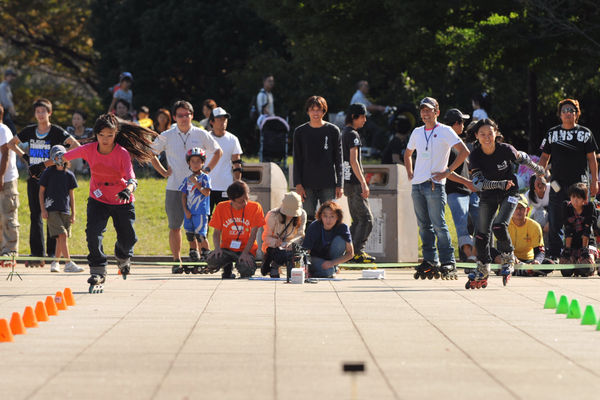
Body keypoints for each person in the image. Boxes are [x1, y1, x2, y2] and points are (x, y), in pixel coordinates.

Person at [55, 113, 157, 288]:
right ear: (96, 134)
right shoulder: (89, 149)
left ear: (115, 134)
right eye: (101, 135)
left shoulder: (122, 153)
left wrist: (128, 190)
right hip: (98, 199)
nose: (105, 139)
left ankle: (122, 256)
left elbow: (132, 178)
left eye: (110, 135)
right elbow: (64, 157)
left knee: (129, 238)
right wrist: (48, 161)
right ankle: (98, 271)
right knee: (93, 235)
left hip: (122, 199)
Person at [467, 118, 546, 287]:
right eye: (482, 134)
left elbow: (523, 158)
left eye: (490, 133)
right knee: (481, 233)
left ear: (496, 133)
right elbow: (479, 183)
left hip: (510, 192)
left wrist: (539, 170)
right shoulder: (474, 156)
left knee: (499, 225)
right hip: (488, 193)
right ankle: (483, 266)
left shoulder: (506, 149)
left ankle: (508, 257)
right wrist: (499, 184)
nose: (487, 138)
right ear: (477, 136)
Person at [8, 98, 80, 265]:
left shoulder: (56, 131)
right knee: (35, 215)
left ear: (50, 113)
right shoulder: (30, 130)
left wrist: (58, 159)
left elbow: (76, 145)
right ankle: (37, 254)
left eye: (43, 111)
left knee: (52, 215)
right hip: (34, 178)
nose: (40, 114)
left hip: (52, 179)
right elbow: (11, 144)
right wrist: (25, 157)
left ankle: (52, 254)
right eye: (38, 111)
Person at [404, 97, 469, 280]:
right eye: (423, 110)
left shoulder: (445, 130)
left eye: (429, 110)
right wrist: (410, 172)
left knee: (439, 224)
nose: (425, 113)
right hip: (417, 185)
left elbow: (464, 152)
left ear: (437, 112)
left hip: (435, 185)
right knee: (424, 226)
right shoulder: (417, 131)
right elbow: (408, 153)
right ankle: (430, 260)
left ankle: (448, 261)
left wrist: (447, 171)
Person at [151, 100, 222, 266]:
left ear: (192, 115)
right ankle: (177, 261)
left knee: (198, 226)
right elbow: (151, 153)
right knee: (175, 226)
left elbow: (218, 151)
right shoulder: (167, 135)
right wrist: (163, 171)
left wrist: (207, 170)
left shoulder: (200, 133)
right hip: (175, 186)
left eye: (186, 115)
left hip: (197, 189)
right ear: (174, 117)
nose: (183, 118)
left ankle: (201, 256)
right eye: (180, 115)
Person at [537, 98, 598, 261]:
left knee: (585, 218)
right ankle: (555, 254)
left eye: (571, 110)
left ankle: (586, 252)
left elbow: (592, 159)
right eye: (564, 110)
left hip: (580, 184)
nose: (567, 113)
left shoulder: (585, 133)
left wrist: (595, 181)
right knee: (555, 217)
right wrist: (539, 176)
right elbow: (544, 157)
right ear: (560, 114)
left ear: (577, 114)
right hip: (557, 183)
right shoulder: (552, 133)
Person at [293, 96, 343, 222]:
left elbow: (339, 160)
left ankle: (327, 237)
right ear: (307, 111)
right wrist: (298, 184)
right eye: (312, 109)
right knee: (307, 218)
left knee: (329, 217)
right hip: (306, 184)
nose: (315, 113)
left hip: (328, 183)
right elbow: (297, 160)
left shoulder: (333, 130)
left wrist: (340, 184)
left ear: (324, 111)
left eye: (318, 110)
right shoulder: (300, 132)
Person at [207, 181, 265, 279]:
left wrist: (245, 253)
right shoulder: (221, 207)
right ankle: (227, 268)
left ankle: (241, 265)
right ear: (231, 200)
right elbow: (216, 232)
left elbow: (253, 234)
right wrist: (217, 248)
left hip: (246, 248)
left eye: (246, 198)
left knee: (246, 269)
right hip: (227, 248)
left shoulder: (255, 207)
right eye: (241, 201)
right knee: (212, 261)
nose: (245, 203)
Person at [39, 146, 83, 273]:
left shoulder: (69, 175)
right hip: (51, 209)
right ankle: (68, 263)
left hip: (65, 210)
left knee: (61, 238)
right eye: (56, 156)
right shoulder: (47, 173)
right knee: (62, 235)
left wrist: (73, 213)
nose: (59, 159)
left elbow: (71, 196)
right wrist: (43, 209)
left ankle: (55, 263)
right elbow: (41, 192)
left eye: (62, 156)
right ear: (52, 158)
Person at [443, 108, 479, 263]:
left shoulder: (458, 142)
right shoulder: (444, 144)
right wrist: (467, 182)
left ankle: (478, 253)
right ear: (457, 123)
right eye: (462, 122)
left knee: (481, 221)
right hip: (455, 190)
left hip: (470, 189)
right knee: (461, 222)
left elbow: (466, 163)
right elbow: (445, 172)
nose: (464, 126)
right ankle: (468, 254)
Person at [342, 103, 375, 263]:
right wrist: (363, 182)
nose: (365, 120)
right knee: (367, 219)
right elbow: (354, 161)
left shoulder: (343, 133)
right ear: (354, 117)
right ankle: (357, 252)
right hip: (355, 183)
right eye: (362, 117)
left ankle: (350, 252)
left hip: (347, 182)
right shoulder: (353, 135)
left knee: (357, 220)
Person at [490, 194, 549, 276]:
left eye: (521, 208)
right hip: (508, 258)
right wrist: (511, 258)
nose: (518, 211)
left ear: (527, 210)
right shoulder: (503, 225)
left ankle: (517, 270)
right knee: (490, 252)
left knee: (549, 263)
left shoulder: (535, 226)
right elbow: (499, 246)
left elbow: (540, 250)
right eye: (515, 208)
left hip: (528, 260)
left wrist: (537, 261)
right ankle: (524, 271)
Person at [177, 148, 211, 272]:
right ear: (189, 163)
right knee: (190, 235)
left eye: (198, 161)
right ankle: (194, 255)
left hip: (201, 211)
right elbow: (183, 195)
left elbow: (206, 193)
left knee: (200, 235)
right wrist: (185, 210)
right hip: (189, 212)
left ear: (203, 163)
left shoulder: (205, 178)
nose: (195, 164)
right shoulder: (187, 179)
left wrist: (197, 183)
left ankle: (207, 256)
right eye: (193, 161)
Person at [302, 201, 354, 278]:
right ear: (320, 216)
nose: (328, 220)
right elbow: (306, 251)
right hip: (315, 258)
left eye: (332, 216)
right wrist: (305, 268)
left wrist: (332, 263)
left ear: (338, 217)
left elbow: (350, 253)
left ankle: (333, 267)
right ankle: (316, 272)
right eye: (325, 216)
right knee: (328, 272)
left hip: (332, 260)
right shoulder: (314, 226)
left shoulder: (343, 227)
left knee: (340, 240)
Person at [261, 192, 307, 278]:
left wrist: (291, 243)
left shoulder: (302, 214)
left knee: (297, 256)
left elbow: (301, 234)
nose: (290, 215)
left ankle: (292, 269)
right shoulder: (272, 215)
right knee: (279, 255)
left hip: (292, 246)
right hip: (274, 247)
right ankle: (274, 266)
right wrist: (275, 242)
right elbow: (265, 237)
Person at [206, 107, 243, 213]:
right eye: (219, 119)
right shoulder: (205, 138)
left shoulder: (233, 139)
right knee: (205, 218)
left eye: (225, 119)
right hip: (206, 186)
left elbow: (237, 163)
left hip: (225, 186)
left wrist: (237, 183)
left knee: (226, 217)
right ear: (212, 122)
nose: (223, 122)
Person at [560, 183, 597, 277]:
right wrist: (567, 251)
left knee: (585, 270)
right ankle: (575, 262)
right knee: (566, 272)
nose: (575, 200)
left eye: (579, 197)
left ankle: (591, 265)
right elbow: (567, 229)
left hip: (587, 243)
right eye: (573, 197)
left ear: (584, 199)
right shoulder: (566, 206)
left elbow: (587, 230)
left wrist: (584, 250)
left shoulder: (589, 207)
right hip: (572, 243)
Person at [0, 104, 19, 256]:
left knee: (8, 215)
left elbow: (5, 153)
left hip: (6, 179)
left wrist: (1, 176)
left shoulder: (2, 129)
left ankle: (10, 249)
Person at [526, 174, 550, 243]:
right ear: (534, 188)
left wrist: (550, 223)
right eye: (538, 184)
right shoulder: (528, 194)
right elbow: (524, 211)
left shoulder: (551, 188)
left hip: (551, 216)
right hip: (536, 218)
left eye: (543, 183)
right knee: (541, 213)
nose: (541, 185)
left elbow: (558, 208)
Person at [0, 68, 17, 135]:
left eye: (13, 76)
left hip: (5, 112)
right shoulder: (3, 86)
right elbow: (6, 102)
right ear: (6, 76)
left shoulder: (7, 86)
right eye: (10, 76)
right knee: (12, 130)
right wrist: (13, 112)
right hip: (3, 112)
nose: (12, 78)